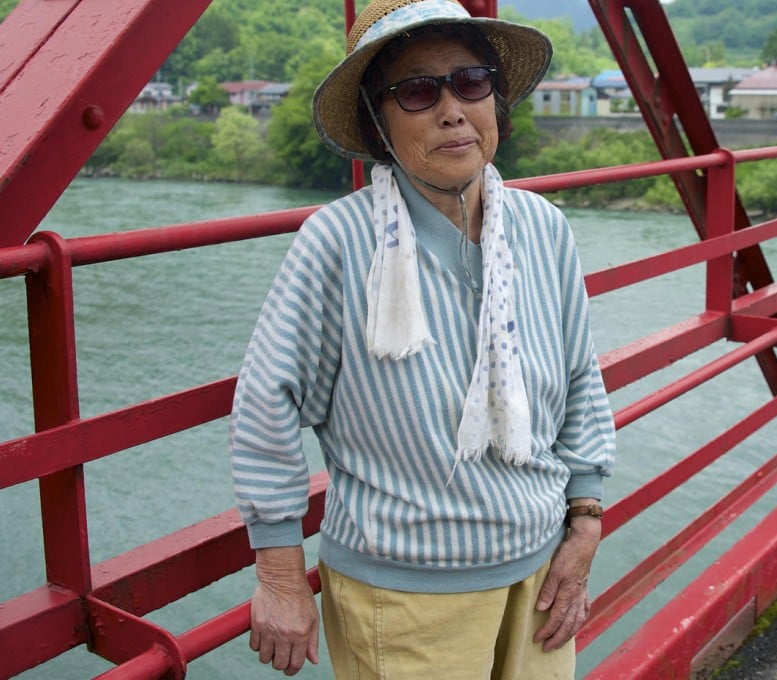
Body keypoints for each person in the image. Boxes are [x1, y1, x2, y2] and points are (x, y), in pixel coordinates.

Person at [229, 0, 616, 677]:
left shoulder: (542, 227)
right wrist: (282, 575)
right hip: (402, 590)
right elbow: (267, 402)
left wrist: (585, 519)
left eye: (471, 82)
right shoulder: (341, 242)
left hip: (542, 570)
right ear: (380, 123)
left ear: (494, 97)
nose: (452, 109)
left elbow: (581, 376)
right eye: (416, 90)